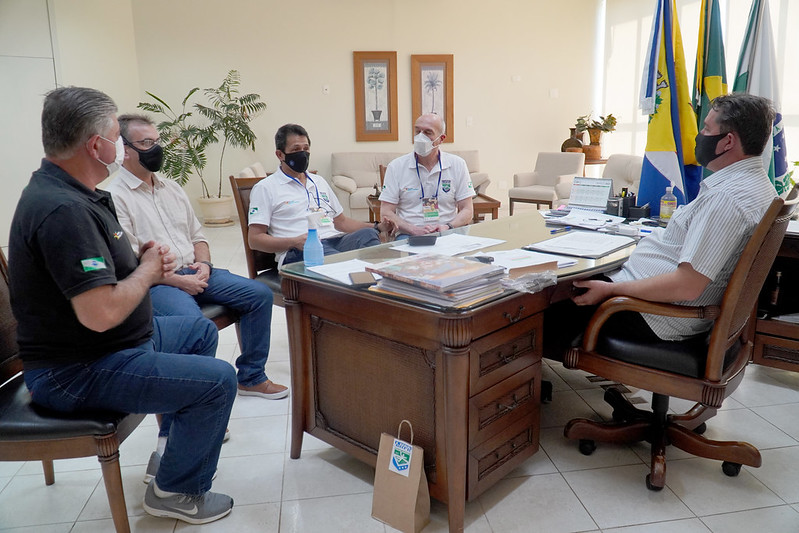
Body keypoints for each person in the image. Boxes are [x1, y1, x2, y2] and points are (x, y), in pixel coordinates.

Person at [8, 87, 236, 524]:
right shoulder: (62, 211)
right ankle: (175, 491)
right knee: (218, 381)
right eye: (118, 135)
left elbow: (110, 271)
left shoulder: (79, 194)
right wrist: (148, 272)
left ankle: (170, 452)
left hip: (111, 346)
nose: (122, 145)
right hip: (75, 370)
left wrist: (145, 260)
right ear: (97, 145)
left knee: (199, 332)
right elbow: (102, 313)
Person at [543, 93, 779, 360]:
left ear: (727, 141)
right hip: (653, 302)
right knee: (563, 287)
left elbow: (687, 286)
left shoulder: (726, 198)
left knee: (531, 315)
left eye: (706, 129)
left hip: (653, 316)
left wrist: (610, 290)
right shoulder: (759, 186)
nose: (699, 136)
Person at [104, 114, 287, 400]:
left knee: (259, 294)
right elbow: (129, 264)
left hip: (195, 271)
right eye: (147, 142)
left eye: (158, 141)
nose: (157, 148)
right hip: (159, 284)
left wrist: (204, 264)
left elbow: (198, 236)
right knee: (194, 329)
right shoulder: (115, 197)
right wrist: (179, 282)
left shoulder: (172, 188)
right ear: (123, 149)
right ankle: (199, 402)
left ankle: (251, 377)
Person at [248, 123, 392, 266]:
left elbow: (341, 222)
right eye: (296, 149)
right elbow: (254, 240)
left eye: (306, 148)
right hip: (298, 250)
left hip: (334, 241)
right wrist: (293, 242)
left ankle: (377, 278)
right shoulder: (265, 188)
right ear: (280, 154)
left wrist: (377, 227)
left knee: (367, 235)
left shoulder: (319, 181)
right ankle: (359, 277)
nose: (302, 153)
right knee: (339, 262)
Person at [380, 113, 475, 237]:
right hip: (409, 234)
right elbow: (386, 212)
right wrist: (413, 230)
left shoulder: (457, 164)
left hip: (446, 233)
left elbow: (467, 210)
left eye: (428, 132)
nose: (420, 137)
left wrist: (448, 227)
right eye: (417, 131)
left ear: (441, 138)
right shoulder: (396, 167)